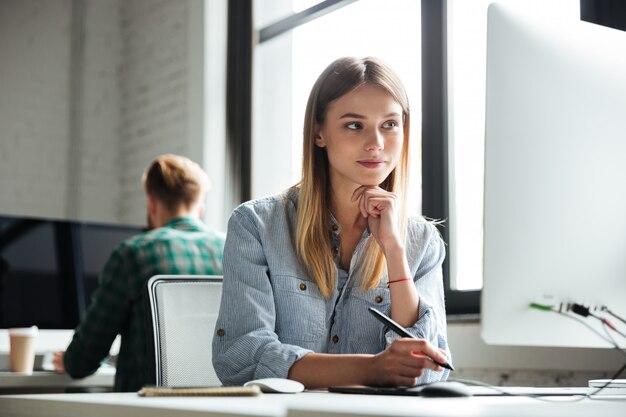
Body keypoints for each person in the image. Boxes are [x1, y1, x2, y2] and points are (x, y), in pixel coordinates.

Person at [212, 57, 450, 389]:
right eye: (354, 125)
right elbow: (241, 356)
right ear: (319, 133)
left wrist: (395, 253)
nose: (376, 143)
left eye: (390, 124)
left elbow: (428, 367)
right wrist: (370, 369)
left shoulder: (421, 242)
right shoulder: (257, 225)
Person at [53, 154, 225, 392]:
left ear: (152, 204)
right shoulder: (232, 250)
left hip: (145, 408)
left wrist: (69, 361)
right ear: (201, 207)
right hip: (223, 405)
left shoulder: (134, 254)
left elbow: (85, 358)